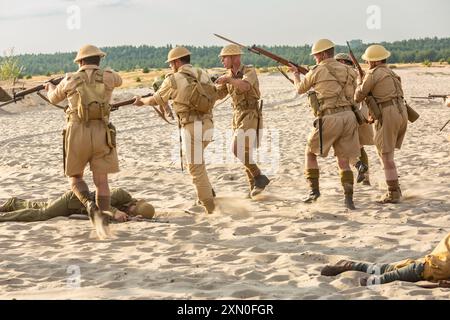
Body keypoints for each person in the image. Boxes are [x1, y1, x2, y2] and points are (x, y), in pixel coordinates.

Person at [43, 44, 123, 233]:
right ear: (99, 60)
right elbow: (119, 80)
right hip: (101, 131)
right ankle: (104, 219)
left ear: (80, 61)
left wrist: (50, 87)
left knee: (75, 177)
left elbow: (53, 99)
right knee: (102, 182)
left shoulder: (70, 78)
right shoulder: (109, 76)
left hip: (77, 130)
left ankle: (89, 205)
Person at [133, 47, 217, 214]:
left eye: (171, 63)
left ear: (177, 62)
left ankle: (211, 209)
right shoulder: (203, 73)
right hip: (208, 125)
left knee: (196, 169)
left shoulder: (173, 78)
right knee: (198, 165)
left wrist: (141, 101)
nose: (171, 66)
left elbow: (156, 99)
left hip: (191, 128)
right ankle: (207, 193)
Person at [288, 39, 360, 209]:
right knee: (343, 160)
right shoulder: (350, 71)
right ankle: (348, 199)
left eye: (315, 56)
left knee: (310, 153)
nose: (315, 59)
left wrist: (296, 74)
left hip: (330, 117)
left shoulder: (317, 70)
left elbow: (299, 89)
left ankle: (314, 192)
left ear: (322, 54)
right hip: (349, 116)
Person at [354, 44, 408, 204]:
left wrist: (360, 81)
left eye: (369, 61)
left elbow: (358, 96)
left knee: (386, 157)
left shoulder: (373, 73)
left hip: (388, 113)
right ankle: (395, 188)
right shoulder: (391, 72)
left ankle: (393, 193)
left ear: (374, 61)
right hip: (400, 112)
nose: (368, 63)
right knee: (386, 154)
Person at [215, 44, 270, 198]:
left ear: (234, 58)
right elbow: (218, 95)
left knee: (236, 148)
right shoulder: (227, 74)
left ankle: (259, 176)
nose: (222, 61)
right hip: (237, 114)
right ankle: (254, 187)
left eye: (224, 58)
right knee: (245, 153)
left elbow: (245, 86)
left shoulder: (249, 71)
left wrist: (228, 79)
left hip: (251, 113)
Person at [321, 232, 450, 287]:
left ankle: (352, 265)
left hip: (432, 267)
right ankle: (352, 266)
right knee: (385, 273)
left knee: (389, 268)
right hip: (430, 267)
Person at [0, 188, 154, 223]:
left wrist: (132, 219)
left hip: (77, 205)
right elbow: (100, 198)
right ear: (134, 204)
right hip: (75, 199)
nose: (130, 212)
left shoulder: (128, 209)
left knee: (42, 206)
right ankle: (4, 217)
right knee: (43, 214)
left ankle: (13, 203)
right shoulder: (121, 195)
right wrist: (114, 212)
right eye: (133, 211)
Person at [335, 53, 373, 185]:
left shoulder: (348, 75)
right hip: (358, 113)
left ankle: (360, 177)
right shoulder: (356, 74)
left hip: (352, 114)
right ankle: (365, 177)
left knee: (344, 149)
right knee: (359, 148)